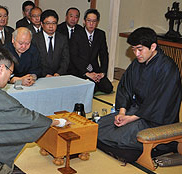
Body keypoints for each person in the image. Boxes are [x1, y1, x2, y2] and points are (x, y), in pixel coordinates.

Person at [98, 27, 182, 158]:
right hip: (137, 111)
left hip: (156, 118)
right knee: (100, 124)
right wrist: (122, 112)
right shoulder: (137, 63)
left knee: (119, 135)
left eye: (140, 49)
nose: (136, 54)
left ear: (153, 46)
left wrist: (131, 118)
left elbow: (158, 102)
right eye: (134, 49)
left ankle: (168, 144)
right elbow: (125, 87)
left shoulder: (167, 68)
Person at [70, 9, 113, 94]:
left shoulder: (100, 34)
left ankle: (95, 82)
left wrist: (102, 73)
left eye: (94, 21)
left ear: (97, 22)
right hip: (80, 70)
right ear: (84, 21)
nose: (91, 24)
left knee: (108, 88)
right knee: (91, 89)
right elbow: (74, 57)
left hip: (95, 69)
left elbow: (104, 54)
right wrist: (86, 73)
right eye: (89, 21)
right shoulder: (76, 34)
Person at [32, 9, 69, 77]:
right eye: (48, 23)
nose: (51, 26)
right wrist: (45, 74)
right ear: (42, 24)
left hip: (58, 77)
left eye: (54, 23)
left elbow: (65, 59)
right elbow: (34, 61)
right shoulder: (35, 39)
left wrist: (59, 73)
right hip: (41, 77)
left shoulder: (62, 39)